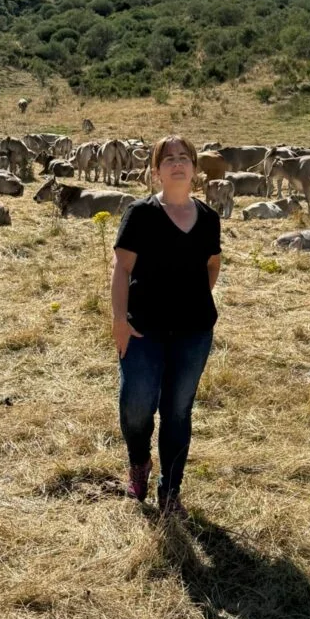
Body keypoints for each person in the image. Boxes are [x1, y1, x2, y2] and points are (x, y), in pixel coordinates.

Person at [111, 135, 222, 517]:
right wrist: (119, 319)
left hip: (193, 332)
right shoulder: (140, 214)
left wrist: (192, 298)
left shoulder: (208, 218)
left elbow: (212, 264)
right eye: (169, 158)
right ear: (156, 170)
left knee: (177, 411)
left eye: (184, 157)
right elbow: (122, 269)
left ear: (195, 168)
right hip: (142, 328)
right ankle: (139, 460)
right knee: (136, 406)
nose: (177, 163)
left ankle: (170, 490)